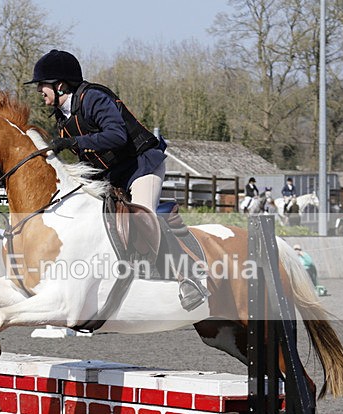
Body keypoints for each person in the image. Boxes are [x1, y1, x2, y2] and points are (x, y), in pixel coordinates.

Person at [26, 49, 208, 311]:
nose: (39, 91)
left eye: (42, 85)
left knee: (142, 214)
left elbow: (116, 136)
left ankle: (187, 277)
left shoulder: (94, 99)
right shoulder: (63, 119)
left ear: (60, 85)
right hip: (111, 176)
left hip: (141, 165)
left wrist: (74, 142)